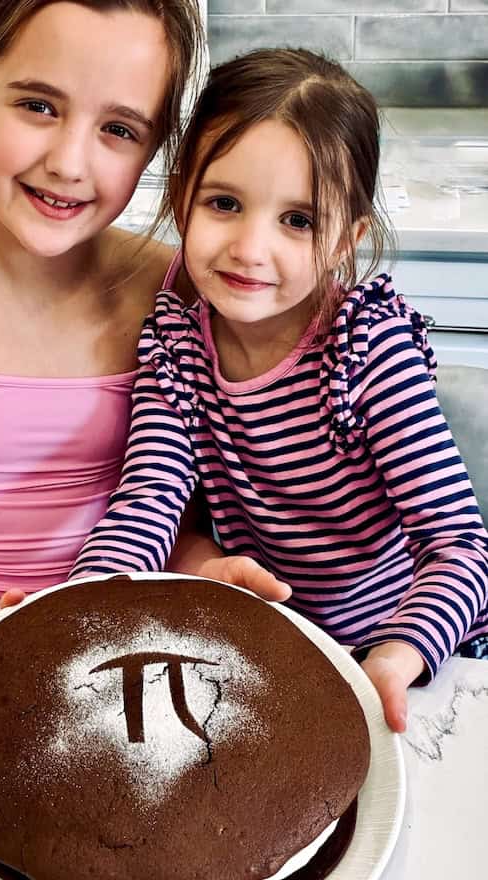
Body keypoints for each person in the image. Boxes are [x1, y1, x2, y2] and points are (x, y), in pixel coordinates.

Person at [0, 0, 290, 838]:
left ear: (157, 152)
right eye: (38, 105)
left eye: (120, 129)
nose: (70, 162)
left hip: (98, 653)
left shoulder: (178, 288)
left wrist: (198, 564)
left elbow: (163, 495)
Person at [71, 48, 488, 734]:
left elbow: (460, 550)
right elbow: (149, 501)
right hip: (265, 653)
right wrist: (83, 609)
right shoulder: (176, 347)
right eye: (224, 204)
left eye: (298, 220)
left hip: (398, 653)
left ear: (345, 241)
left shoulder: (368, 353)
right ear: (184, 201)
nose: (250, 248)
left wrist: (398, 652)